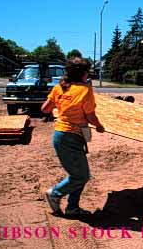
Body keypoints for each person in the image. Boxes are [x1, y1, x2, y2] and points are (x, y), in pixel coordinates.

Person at [41, 57, 105, 217]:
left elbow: (45, 109)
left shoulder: (59, 88)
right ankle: (55, 193)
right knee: (82, 176)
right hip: (71, 137)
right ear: (84, 74)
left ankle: (72, 208)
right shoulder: (85, 90)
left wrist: (62, 107)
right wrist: (99, 126)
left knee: (78, 175)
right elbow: (90, 116)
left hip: (60, 135)